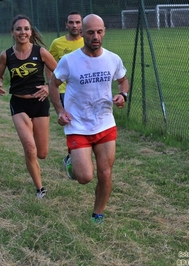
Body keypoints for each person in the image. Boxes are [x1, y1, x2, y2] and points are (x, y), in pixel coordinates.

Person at [48, 14, 130, 223]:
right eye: (91, 32)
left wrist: (123, 95)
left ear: (104, 32)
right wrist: (59, 110)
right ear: (82, 33)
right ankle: (71, 164)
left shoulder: (113, 59)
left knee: (105, 173)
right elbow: (53, 84)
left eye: (99, 31)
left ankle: (97, 214)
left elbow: (123, 80)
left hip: (105, 123)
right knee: (84, 177)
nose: (95, 36)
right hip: (78, 125)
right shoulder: (70, 60)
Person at [0, 15, 57, 199]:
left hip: (39, 103)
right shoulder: (6, 55)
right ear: (12, 32)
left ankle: (37, 166)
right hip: (19, 102)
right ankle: (40, 189)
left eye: (26, 29)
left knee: (42, 153)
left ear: (31, 32)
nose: (23, 32)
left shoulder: (41, 52)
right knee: (30, 148)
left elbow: (60, 72)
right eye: (19, 29)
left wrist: (47, 86)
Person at [48, 11, 84, 175]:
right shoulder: (57, 43)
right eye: (71, 22)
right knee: (71, 124)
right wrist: (51, 84)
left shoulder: (87, 41)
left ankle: (74, 154)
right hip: (64, 90)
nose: (74, 25)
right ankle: (72, 156)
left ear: (82, 24)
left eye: (77, 22)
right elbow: (48, 63)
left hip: (84, 91)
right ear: (66, 25)